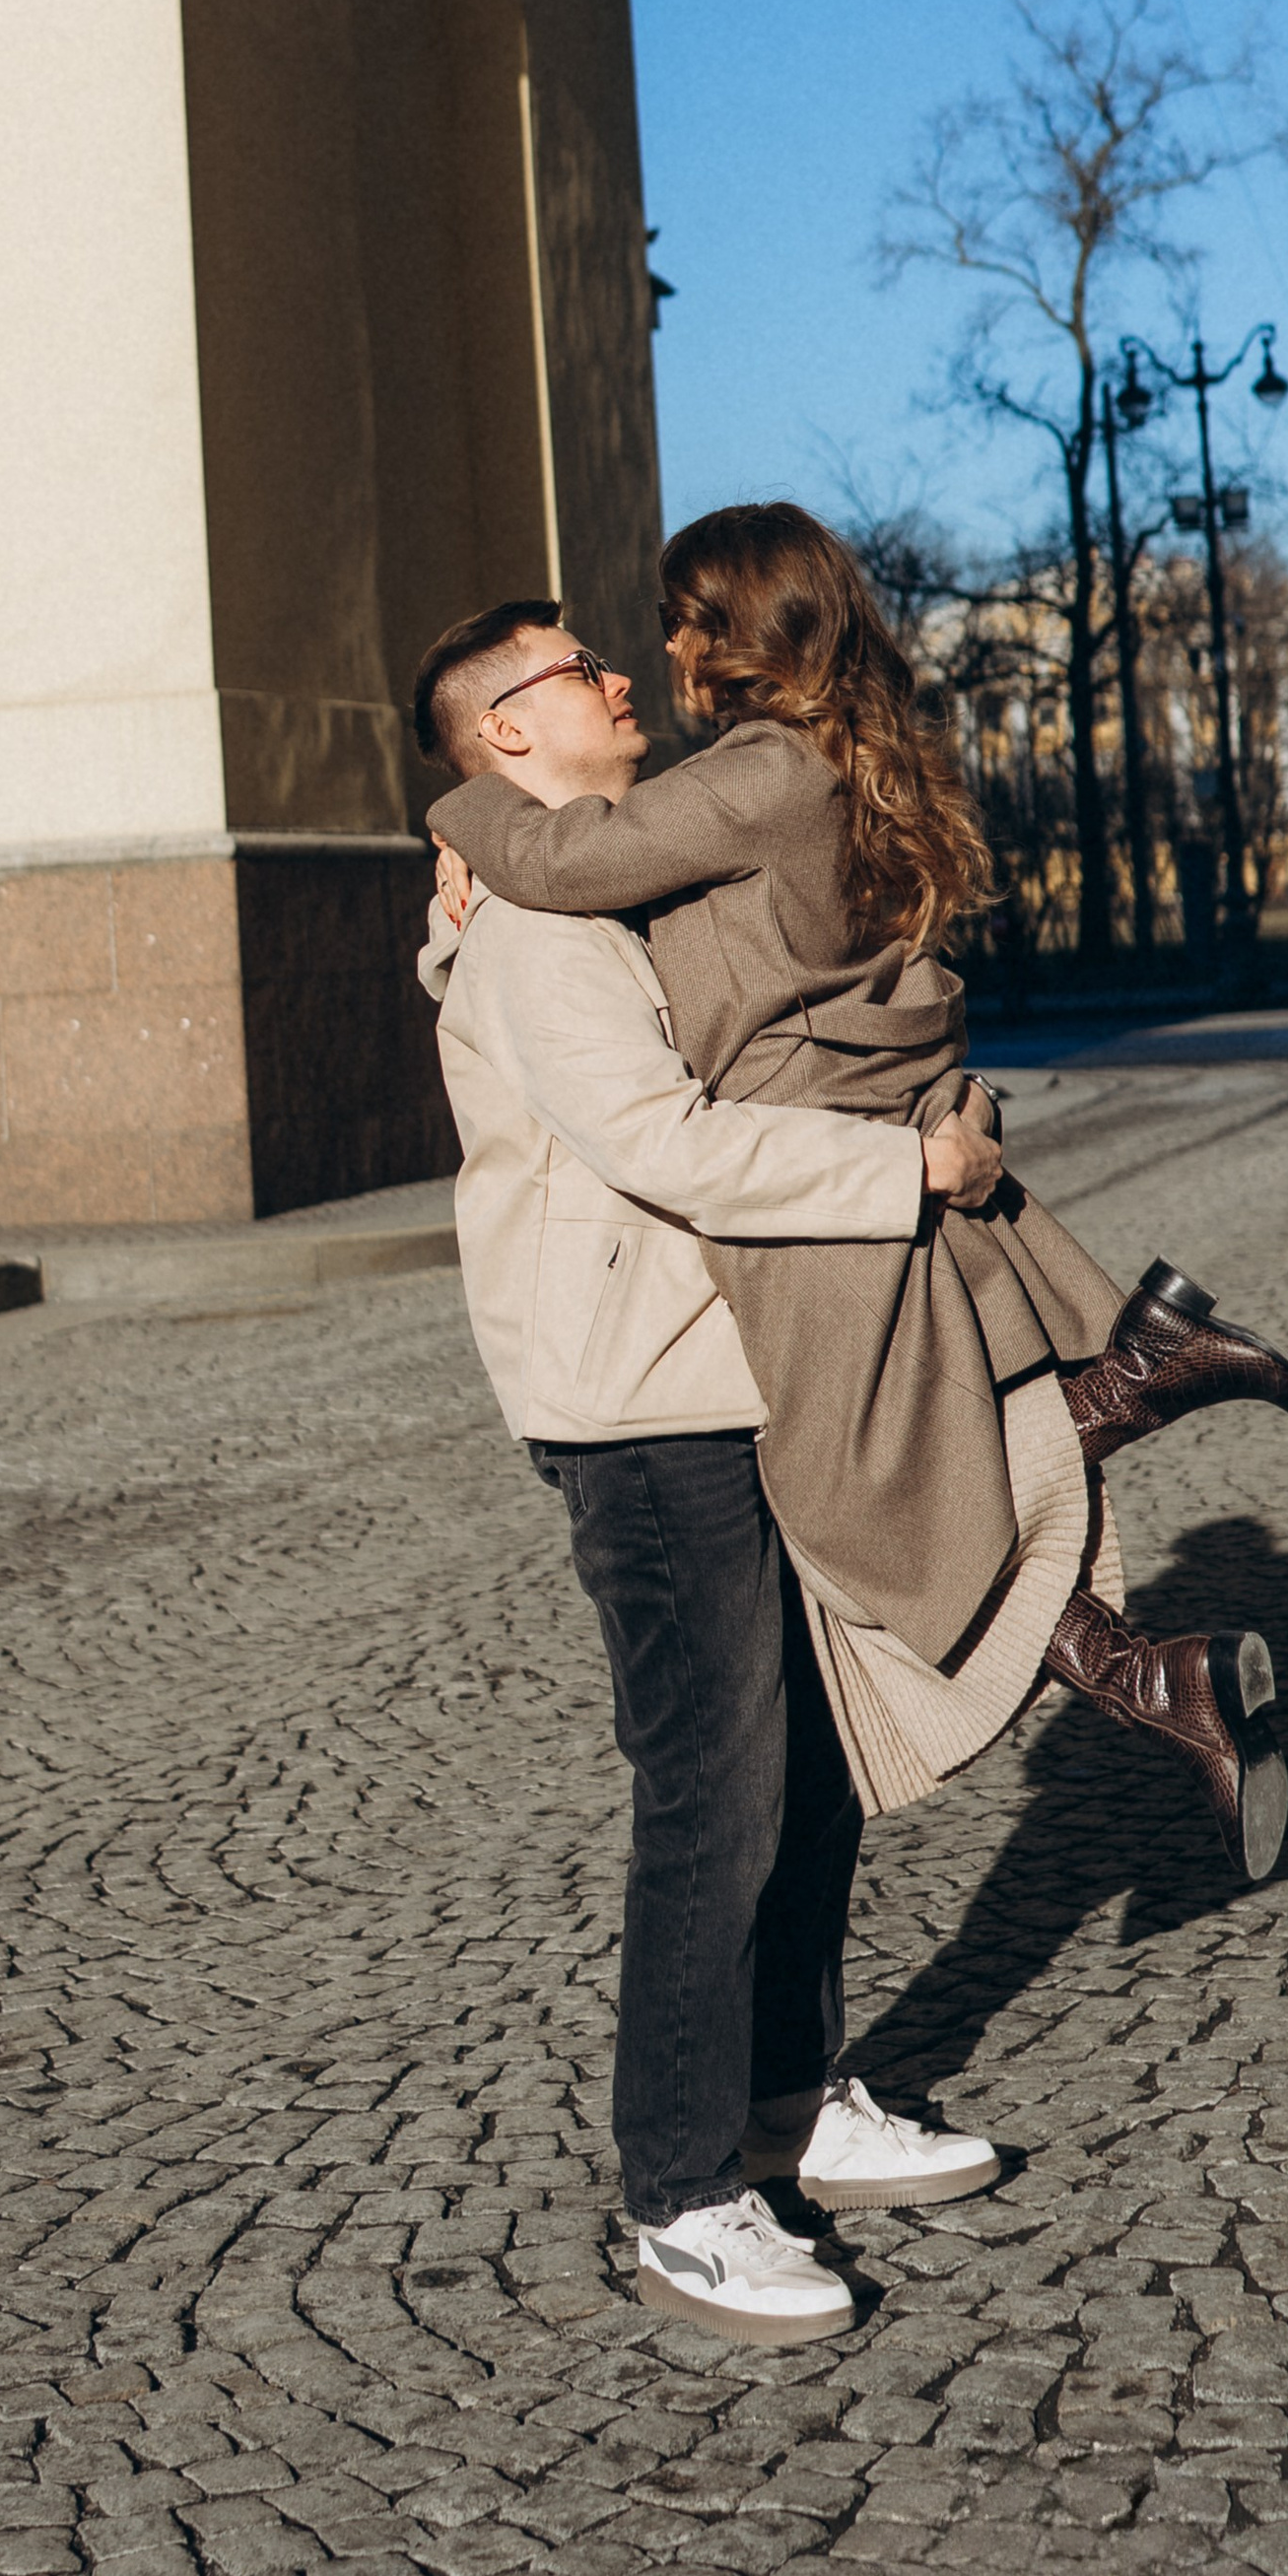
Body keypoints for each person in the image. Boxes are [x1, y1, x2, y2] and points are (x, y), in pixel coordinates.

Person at [425, 514, 1288, 1864]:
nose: (645, 661)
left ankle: (1131, 1424)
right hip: (846, 1172)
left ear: (742, 633)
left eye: (677, 624)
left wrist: (459, 813)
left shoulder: (746, 778)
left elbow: (565, 869)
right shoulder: (831, 762)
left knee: (863, 1514)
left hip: (818, 1207)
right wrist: (462, 927)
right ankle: (1151, 1618)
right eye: (595, 660)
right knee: (880, 1517)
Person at [409, 594, 1014, 2351]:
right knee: (711, 1791)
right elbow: (665, 1143)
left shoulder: (585, 881)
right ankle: (682, 2192)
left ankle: (786, 2097)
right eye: (577, 669)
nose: (617, 678)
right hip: (635, 1404)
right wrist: (908, 1174)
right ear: (505, 734)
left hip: (727, 1371)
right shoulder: (531, 925)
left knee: (805, 1757)